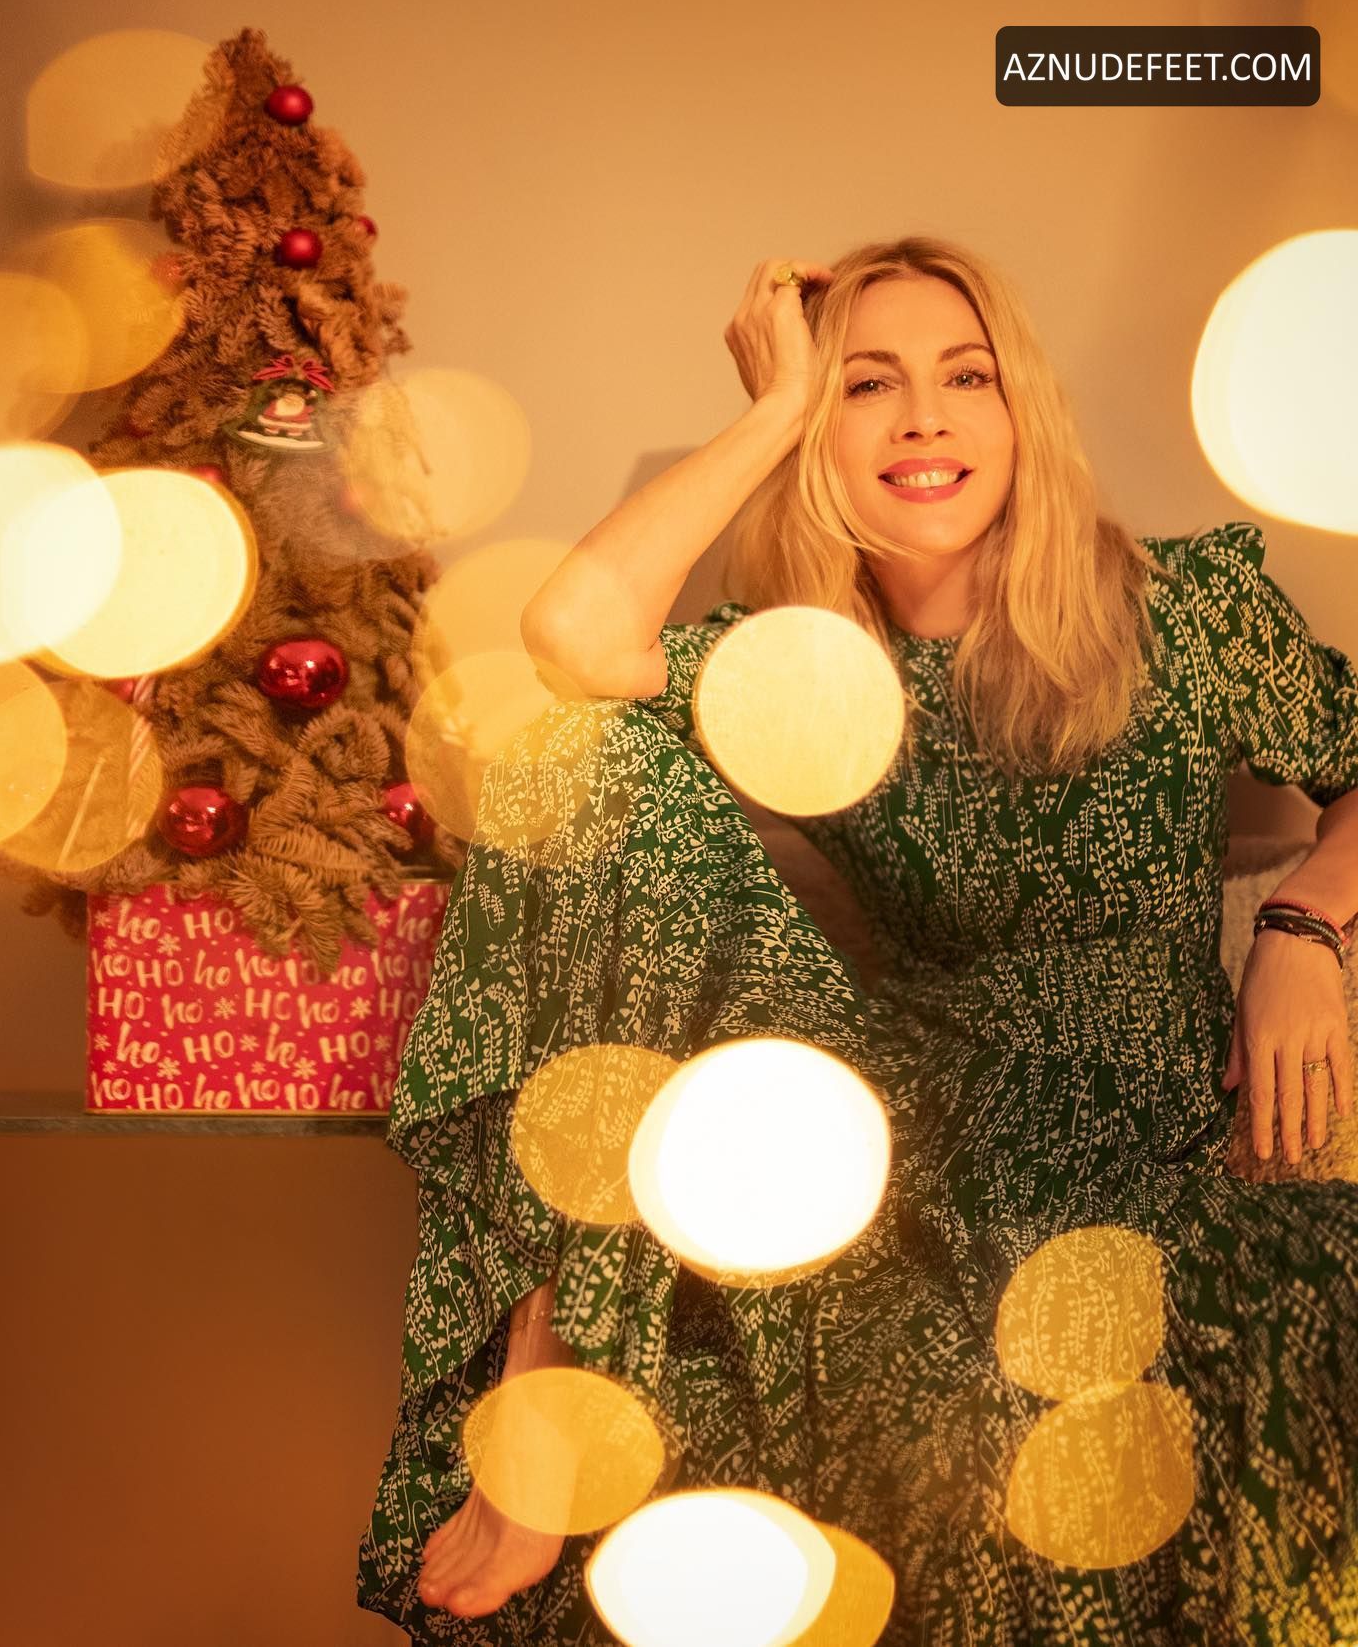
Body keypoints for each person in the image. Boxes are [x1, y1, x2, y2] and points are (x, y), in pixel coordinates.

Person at [357, 237, 1358, 1645]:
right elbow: (575, 639)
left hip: (1139, 1129)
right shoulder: (797, 665)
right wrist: (773, 404)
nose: (925, 420)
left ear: (1021, 413)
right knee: (581, 764)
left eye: (967, 378)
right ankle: (556, 1376)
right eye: (867, 386)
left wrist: (1304, 928)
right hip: (899, 1125)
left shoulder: (1181, 611)